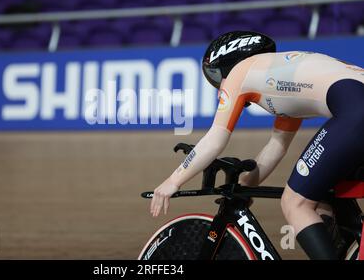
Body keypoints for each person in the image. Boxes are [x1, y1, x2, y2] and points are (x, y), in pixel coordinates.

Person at [149, 30, 364, 260]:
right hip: (354, 107)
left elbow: (215, 139)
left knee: (295, 204)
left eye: (214, 75)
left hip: (355, 113)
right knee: (322, 190)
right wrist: (243, 187)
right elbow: (277, 146)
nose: (219, 85)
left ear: (227, 62)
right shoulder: (283, 78)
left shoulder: (240, 71)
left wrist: (174, 181)